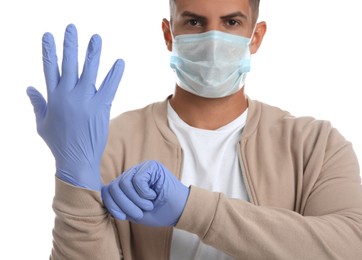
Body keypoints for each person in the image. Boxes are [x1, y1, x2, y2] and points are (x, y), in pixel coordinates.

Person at [26, 0, 362, 259]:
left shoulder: (315, 145)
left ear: (255, 36)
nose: (212, 40)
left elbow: (351, 246)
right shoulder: (107, 144)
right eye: (194, 21)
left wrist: (190, 208)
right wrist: (74, 179)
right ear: (168, 34)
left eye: (231, 22)